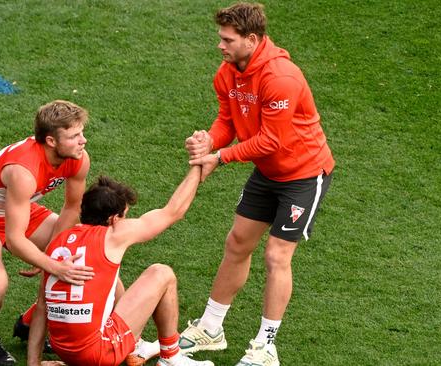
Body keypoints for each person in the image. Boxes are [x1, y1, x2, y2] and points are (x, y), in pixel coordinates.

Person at [180, 3, 335, 366]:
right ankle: (211, 328)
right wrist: (209, 141)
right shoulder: (228, 73)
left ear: (251, 40)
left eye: (227, 39)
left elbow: (272, 141)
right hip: (268, 172)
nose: (220, 45)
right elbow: (227, 121)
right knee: (237, 242)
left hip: (303, 174)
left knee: (276, 254)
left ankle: (266, 347)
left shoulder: (281, 77)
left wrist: (221, 158)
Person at [0, 100, 95, 365]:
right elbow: (16, 240)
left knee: (83, 253)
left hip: (22, 209)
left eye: (82, 133)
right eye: (74, 136)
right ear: (51, 141)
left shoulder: (77, 158)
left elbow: (72, 207)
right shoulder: (23, 171)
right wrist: (52, 265)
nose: (83, 141)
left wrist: (54, 254)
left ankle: (30, 321)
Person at [26, 167, 214, 366]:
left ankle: (133, 346)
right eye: (124, 216)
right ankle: (171, 358)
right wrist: (197, 167)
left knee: (111, 279)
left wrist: (34, 363)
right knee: (161, 273)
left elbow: (41, 307)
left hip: (63, 349)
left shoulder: (58, 242)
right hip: (98, 353)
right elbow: (173, 212)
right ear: (113, 219)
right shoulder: (114, 235)